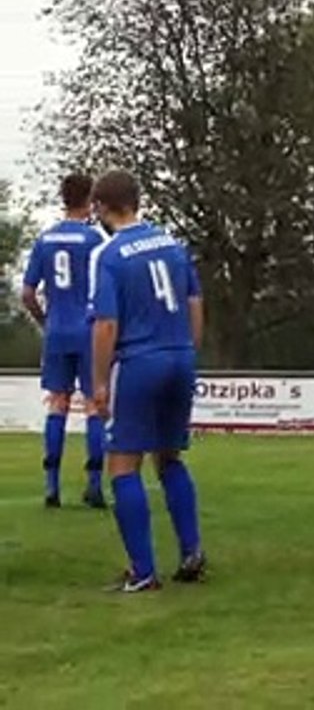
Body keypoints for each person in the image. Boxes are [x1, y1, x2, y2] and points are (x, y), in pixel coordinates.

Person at [88, 169, 205, 592]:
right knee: (170, 456)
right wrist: (189, 350)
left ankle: (142, 572)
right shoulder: (173, 244)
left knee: (122, 464)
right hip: (180, 356)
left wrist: (100, 383)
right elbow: (194, 302)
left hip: (139, 361)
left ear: (101, 207)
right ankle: (192, 551)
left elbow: (105, 325)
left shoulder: (110, 254)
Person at [22, 173, 110, 509]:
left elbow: (28, 293)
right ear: (90, 201)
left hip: (57, 329)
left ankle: (52, 485)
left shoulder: (45, 240)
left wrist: (45, 321)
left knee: (57, 403)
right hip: (89, 331)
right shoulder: (96, 240)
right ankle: (93, 484)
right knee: (93, 405)